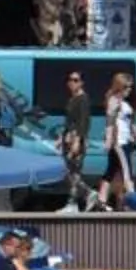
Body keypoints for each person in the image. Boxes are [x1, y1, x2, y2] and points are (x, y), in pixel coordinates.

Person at [102, 71, 136, 210]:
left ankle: (101, 200)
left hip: (126, 141)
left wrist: (133, 133)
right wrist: (109, 139)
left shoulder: (122, 102)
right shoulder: (114, 101)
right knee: (126, 172)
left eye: (130, 87)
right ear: (119, 87)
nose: (129, 90)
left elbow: (127, 120)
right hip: (119, 143)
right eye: (127, 87)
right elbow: (110, 122)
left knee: (111, 172)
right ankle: (134, 202)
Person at [57, 70, 93, 208]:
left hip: (76, 140)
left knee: (74, 172)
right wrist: (61, 138)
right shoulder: (72, 98)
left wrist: (77, 141)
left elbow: (83, 122)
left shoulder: (83, 99)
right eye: (71, 80)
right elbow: (69, 121)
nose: (72, 82)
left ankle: (73, 202)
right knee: (69, 172)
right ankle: (85, 195)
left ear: (82, 83)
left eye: (76, 80)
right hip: (68, 139)